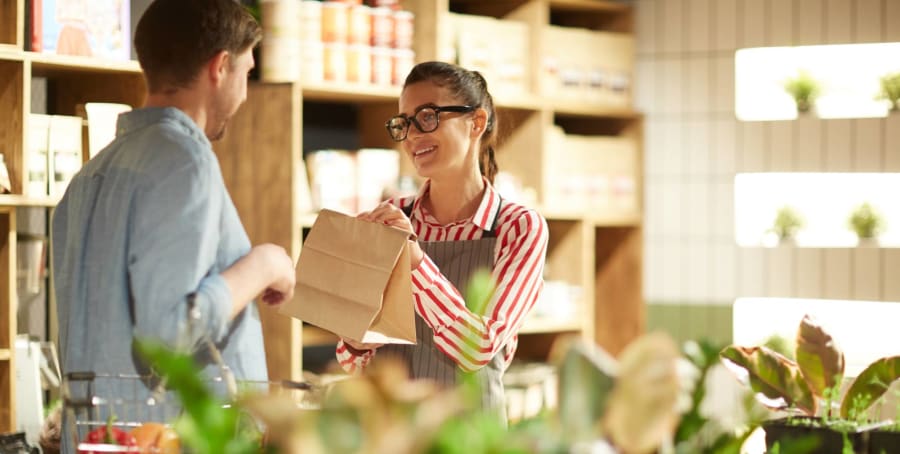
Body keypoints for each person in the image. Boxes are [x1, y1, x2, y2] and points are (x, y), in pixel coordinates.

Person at [51, 0, 296, 443]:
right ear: (220, 67)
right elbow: (168, 334)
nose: (244, 93)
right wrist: (264, 265)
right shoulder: (185, 160)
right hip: (174, 438)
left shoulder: (88, 177)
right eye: (246, 73)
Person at [335, 61, 549, 423]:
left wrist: (415, 261)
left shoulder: (519, 228)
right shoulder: (392, 215)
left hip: (470, 438)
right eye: (404, 123)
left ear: (476, 123)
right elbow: (352, 361)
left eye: (428, 117)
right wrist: (358, 332)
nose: (413, 135)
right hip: (392, 434)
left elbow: (478, 347)